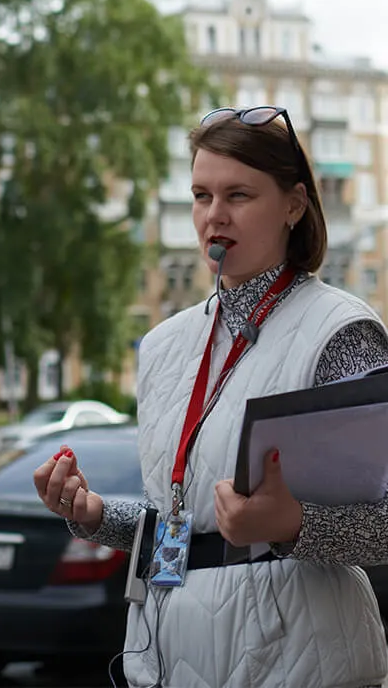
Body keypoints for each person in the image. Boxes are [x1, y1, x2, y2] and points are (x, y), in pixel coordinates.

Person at [35, 106, 388, 688]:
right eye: (201, 195)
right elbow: (185, 534)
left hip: (298, 665)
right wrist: (94, 515)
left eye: (239, 195)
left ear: (294, 205)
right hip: (170, 662)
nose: (213, 217)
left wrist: (291, 524)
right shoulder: (165, 345)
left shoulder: (338, 331)